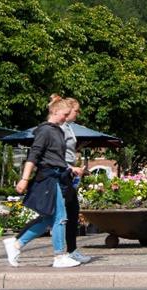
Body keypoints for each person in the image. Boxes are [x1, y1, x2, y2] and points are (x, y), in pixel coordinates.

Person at [4, 95, 79, 269]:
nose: (66, 117)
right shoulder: (45, 131)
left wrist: (69, 168)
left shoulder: (58, 130)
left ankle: (16, 245)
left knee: (48, 219)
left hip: (56, 176)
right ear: (55, 111)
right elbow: (34, 156)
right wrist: (24, 179)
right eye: (64, 114)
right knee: (60, 217)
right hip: (48, 178)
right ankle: (59, 256)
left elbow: (55, 158)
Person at [59, 98, 90, 264]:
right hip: (62, 173)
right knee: (57, 215)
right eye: (76, 110)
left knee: (71, 211)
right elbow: (55, 154)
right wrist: (70, 168)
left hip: (68, 172)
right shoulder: (60, 128)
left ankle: (71, 250)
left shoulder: (68, 128)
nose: (78, 114)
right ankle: (18, 242)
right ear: (68, 110)